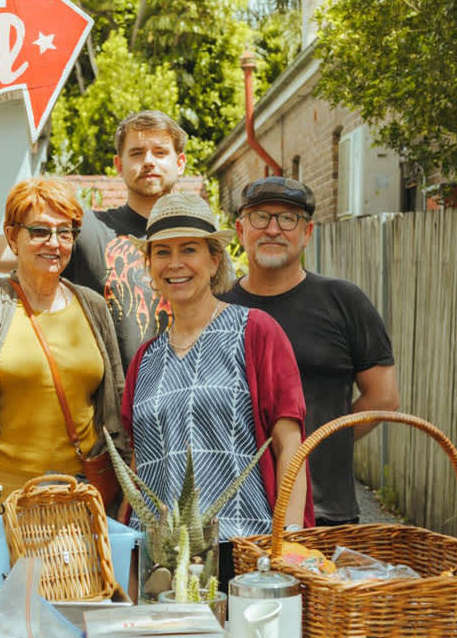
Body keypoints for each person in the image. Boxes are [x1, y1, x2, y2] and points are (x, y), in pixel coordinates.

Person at [121, 193, 314, 587]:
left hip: (244, 552)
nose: (175, 264)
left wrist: (290, 545)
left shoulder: (255, 331)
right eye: (162, 253)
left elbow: (290, 447)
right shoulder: (145, 358)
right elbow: (139, 471)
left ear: (214, 260)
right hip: (162, 564)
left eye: (189, 249)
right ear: (150, 265)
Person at [0, 110, 187, 369]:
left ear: (181, 162)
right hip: (112, 404)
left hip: (190, 401)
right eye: (137, 152)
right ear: (118, 165)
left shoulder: (200, 240)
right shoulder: (85, 230)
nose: (149, 161)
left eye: (160, 152)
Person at [220, 177, 400, 526]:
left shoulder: (343, 302)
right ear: (241, 230)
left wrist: (319, 443)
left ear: (308, 232)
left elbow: (384, 397)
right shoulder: (219, 310)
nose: (273, 229)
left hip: (325, 511)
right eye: (260, 218)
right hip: (238, 514)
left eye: (288, 218)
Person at [0, 177, 127, 510]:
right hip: (0, 500)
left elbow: (115, 393)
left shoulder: (91, 305)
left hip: (78, 498)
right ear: (13, 237)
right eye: (39, 231)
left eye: (65, 232)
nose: (53, 243)